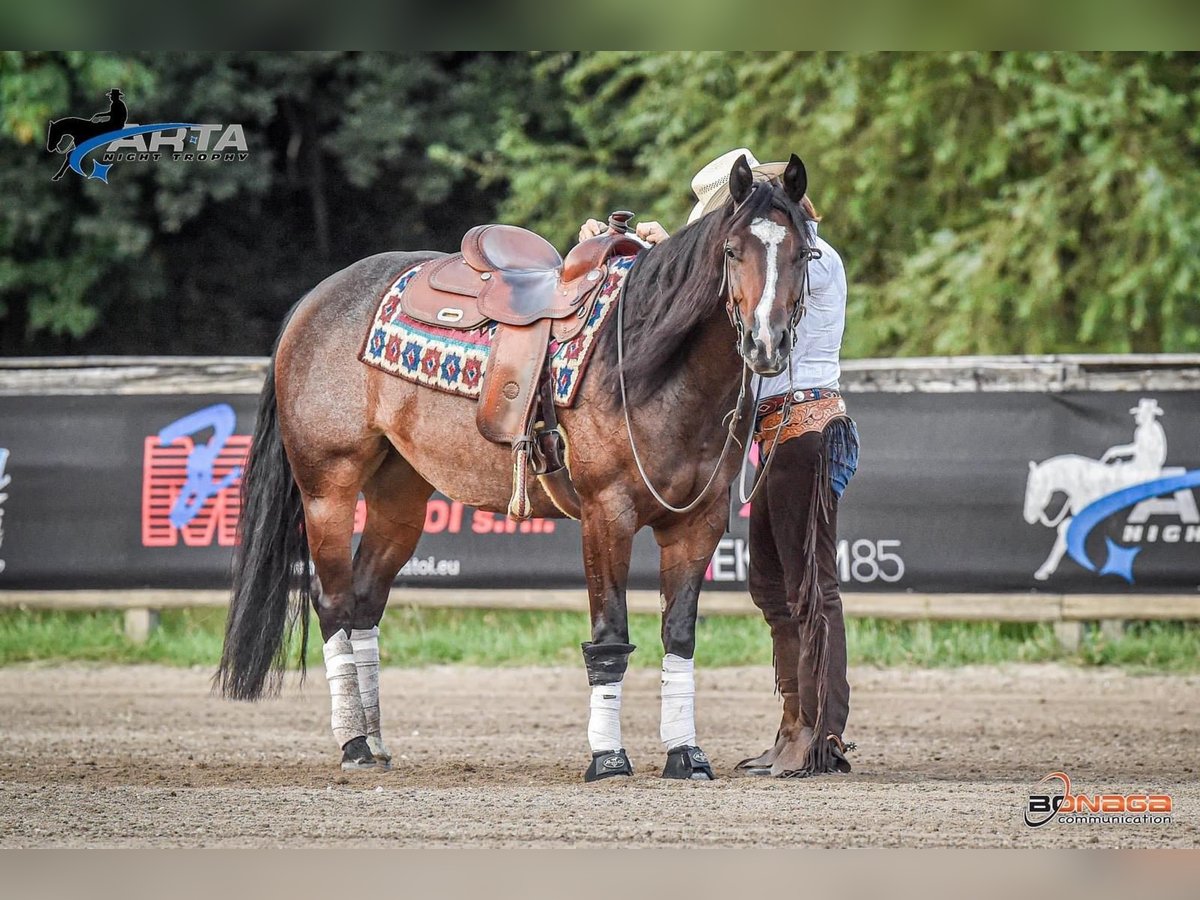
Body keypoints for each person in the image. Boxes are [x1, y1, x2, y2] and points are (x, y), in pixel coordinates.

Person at [579, 148, 859, 777]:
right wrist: (653, 245)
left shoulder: (801, 253)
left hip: (806, 428)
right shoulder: (778, 244)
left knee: (810, 588)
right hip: (787, 434)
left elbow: (732, 281)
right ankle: (796, 728)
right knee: (775, 586)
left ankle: (817, 738)